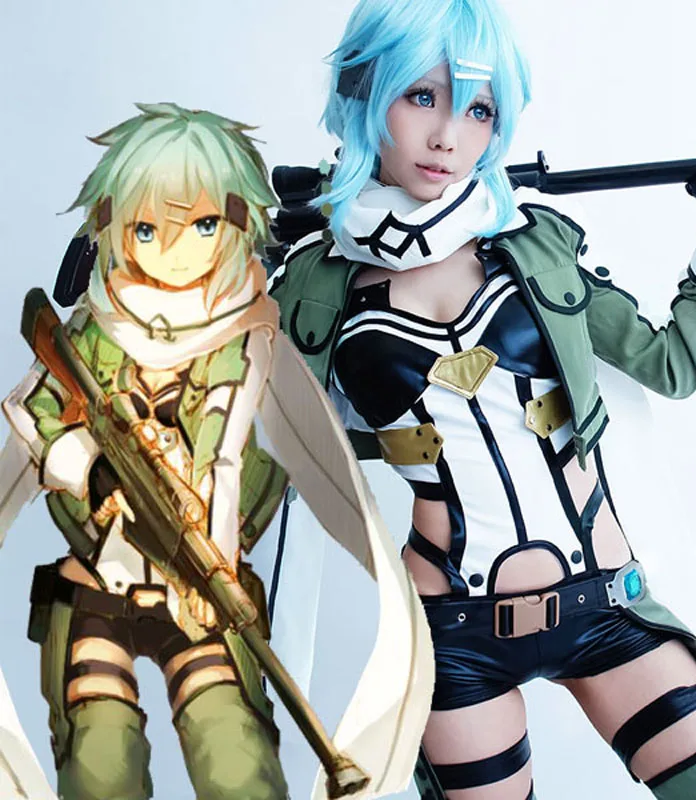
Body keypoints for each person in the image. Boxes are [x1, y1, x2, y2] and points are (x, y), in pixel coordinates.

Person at [267, 0, 696, 798]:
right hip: (454, 636)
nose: (448, 137)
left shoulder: (537, 243)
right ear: (366, 93)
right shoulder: (311, 282)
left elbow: (672, 364)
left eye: (478, 110)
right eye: (421, 96)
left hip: (607, 606)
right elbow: (265, 452)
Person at [0, 102, 433, 800]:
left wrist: (218, 565)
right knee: (99, 759)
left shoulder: (250, 337)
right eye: (147, 228)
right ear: (113, 225)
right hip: (100, 581)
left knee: (236, 760)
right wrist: (87, 464)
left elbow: (251, 456)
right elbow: (32, 412)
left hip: (205, 585)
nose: (175, 250)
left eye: (203, 225)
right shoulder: (93, 332)